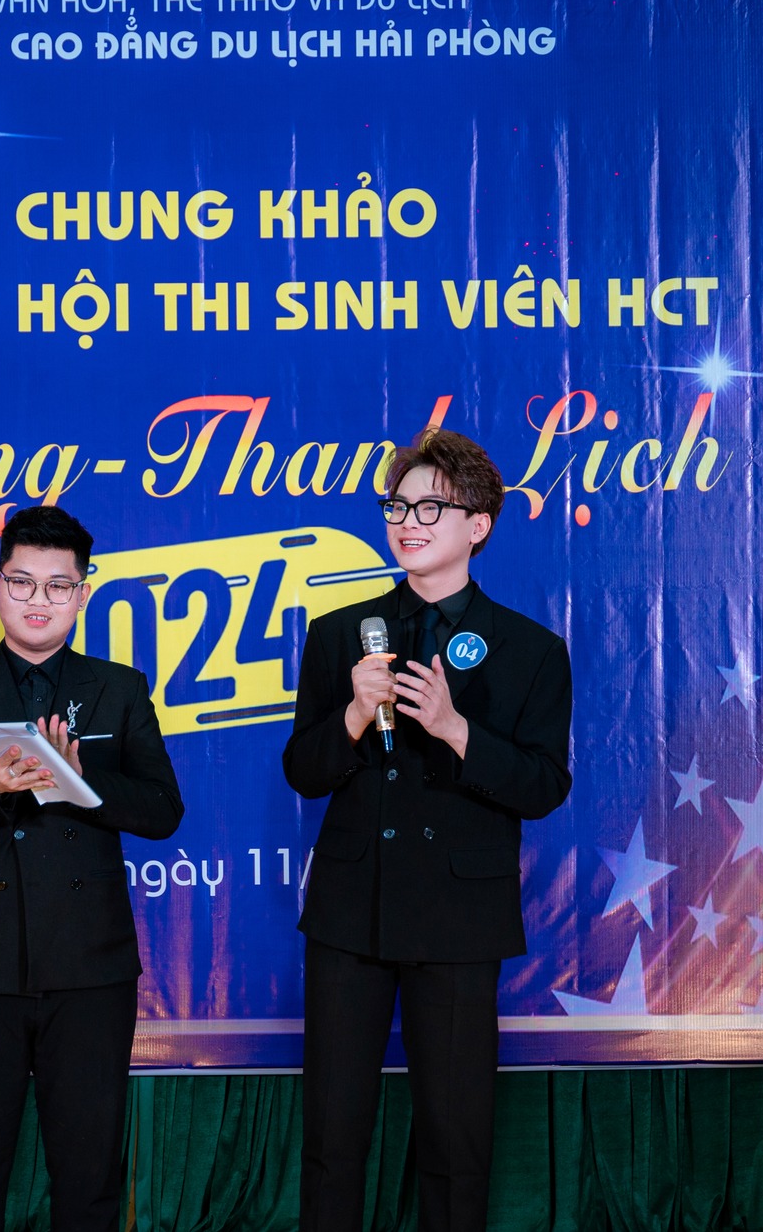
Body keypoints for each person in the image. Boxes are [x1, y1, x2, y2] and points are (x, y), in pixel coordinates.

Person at [282, 427, 573, 1232]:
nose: (408, 522)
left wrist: (455, 728)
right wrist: (351, 714)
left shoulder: (531, 649)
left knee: (456, 1135)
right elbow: (303, 769)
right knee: (333, 1132)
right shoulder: (340, 633)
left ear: (479, 523)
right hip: (350, 912)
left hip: (458, 917)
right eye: (397, 506)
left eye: (430, 508)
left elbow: (544, 785)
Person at [0, 505, 184, 1232]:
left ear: (83, 593)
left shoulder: (120, 687)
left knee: (89, 1177)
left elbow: (163, 811)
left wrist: (83, 783)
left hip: (90, 965)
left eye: (58, 586)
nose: (38, 600)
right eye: (22, 582)